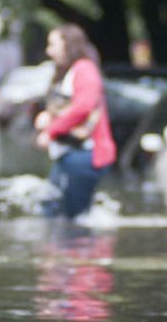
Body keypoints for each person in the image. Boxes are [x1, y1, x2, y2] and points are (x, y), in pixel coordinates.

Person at [34, 24, 116, 219]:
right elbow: (69, 106)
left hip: (85, 155)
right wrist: (48, 116)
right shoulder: (71, 72)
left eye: (52, 45)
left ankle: (77, 248)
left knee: (72, 218)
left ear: (67, 45)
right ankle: (59, 248)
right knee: (51, 209)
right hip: (70, 154)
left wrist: (50, 131)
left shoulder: (85, 69)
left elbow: (83, 107)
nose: (48, 51)